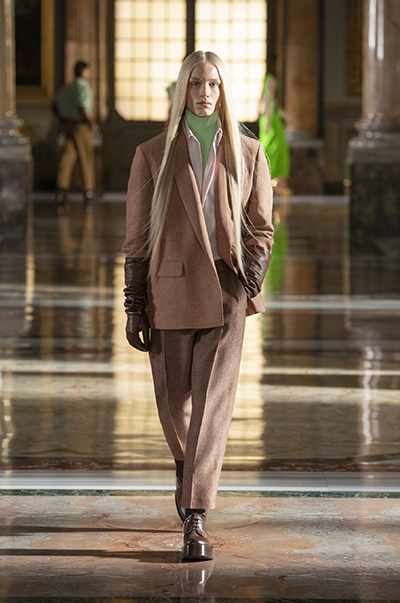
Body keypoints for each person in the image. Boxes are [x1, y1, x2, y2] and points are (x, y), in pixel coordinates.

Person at [123, 50, 274, 562]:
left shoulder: (248, 152)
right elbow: (137, 236)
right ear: (182, 90)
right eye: (195, 84)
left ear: (222, 90)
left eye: (212, 84)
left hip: (228, 292)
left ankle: (195, 516)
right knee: (174, 404)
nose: (205, 93)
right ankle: (188, 470)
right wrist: (134, 303)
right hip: (169, 291)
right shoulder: (153, 154)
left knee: (212, 407)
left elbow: (262, 225)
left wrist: (251, 277)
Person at [53, 61, 96, 205]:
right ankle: (88, 190)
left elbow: (55, 104)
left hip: (68, 124)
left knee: (68, 156)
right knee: (86, 156)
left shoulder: (68, 87)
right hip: (81, 125)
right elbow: (82, 106)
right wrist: (91, 123)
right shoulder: (83, 86)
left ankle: (61, 189)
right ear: (83, 71)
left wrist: (63, 120)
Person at [258, 73, 290, 193]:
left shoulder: (272, 97)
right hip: (271, 130)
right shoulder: (267, 98)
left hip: (276, 129)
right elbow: (267, 115)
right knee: (271, 154)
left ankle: (281, 189)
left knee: (280, 155)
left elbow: (276, 111)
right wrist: (267, 129)